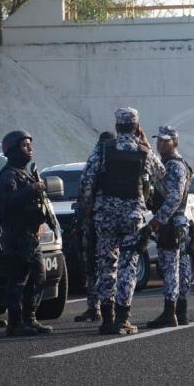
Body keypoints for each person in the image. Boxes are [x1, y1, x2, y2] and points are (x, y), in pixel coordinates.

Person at [81, 108, 165, 335]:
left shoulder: (103, 148)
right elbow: (161, 174)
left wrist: (89, 206)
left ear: (117, 126)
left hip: (105, 215)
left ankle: (106, 319)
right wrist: (145, 142)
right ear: (137, 127)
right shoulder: (144, 151)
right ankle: (122, 318)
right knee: (128, 266)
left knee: (107, 265)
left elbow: (87, 178)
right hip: (132, 216)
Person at [0, 130, 53, 337]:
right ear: (12, 150)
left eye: (30, 144)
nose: (29, 148)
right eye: (24, 145)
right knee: (18, 281)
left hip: (31, 235)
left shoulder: (26, 173)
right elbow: (9, 201)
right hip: (17, 235)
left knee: (38, 277)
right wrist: (32, 189)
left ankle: (30, 318)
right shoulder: (9, 175)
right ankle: (16, 322)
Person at [147, 126, 193, 328]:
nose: (161, 144)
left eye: (166, 141)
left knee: (171, 268)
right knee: (180, 267)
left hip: (172, 222)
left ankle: (170, 311)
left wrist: (158, 220)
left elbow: (175, 197)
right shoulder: (167, 163)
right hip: (176, 222)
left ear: (175, 142)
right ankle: (180, 311)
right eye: (159, 140)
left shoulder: (174, 165)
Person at [74, 131, 116, 323]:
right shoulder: (119, 156)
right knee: (110, 264)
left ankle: (96, 307)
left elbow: (86, 184)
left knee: (92, 262)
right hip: (114, 219)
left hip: (95, 219)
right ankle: (112, 306)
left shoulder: (97, 156)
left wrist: (87, 209)